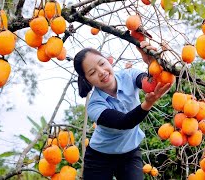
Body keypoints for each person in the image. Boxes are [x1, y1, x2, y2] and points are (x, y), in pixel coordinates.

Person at [73, 41, 171, 180]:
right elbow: (124, 122)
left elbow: (149, 84)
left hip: (130, 153)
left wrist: (151, 63)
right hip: (99, 158)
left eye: (102, 64)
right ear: (87, 80)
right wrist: (148, 103)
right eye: (92, 72)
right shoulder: (95, 105)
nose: (101, 72)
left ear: (108, 61)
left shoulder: (129, 75)